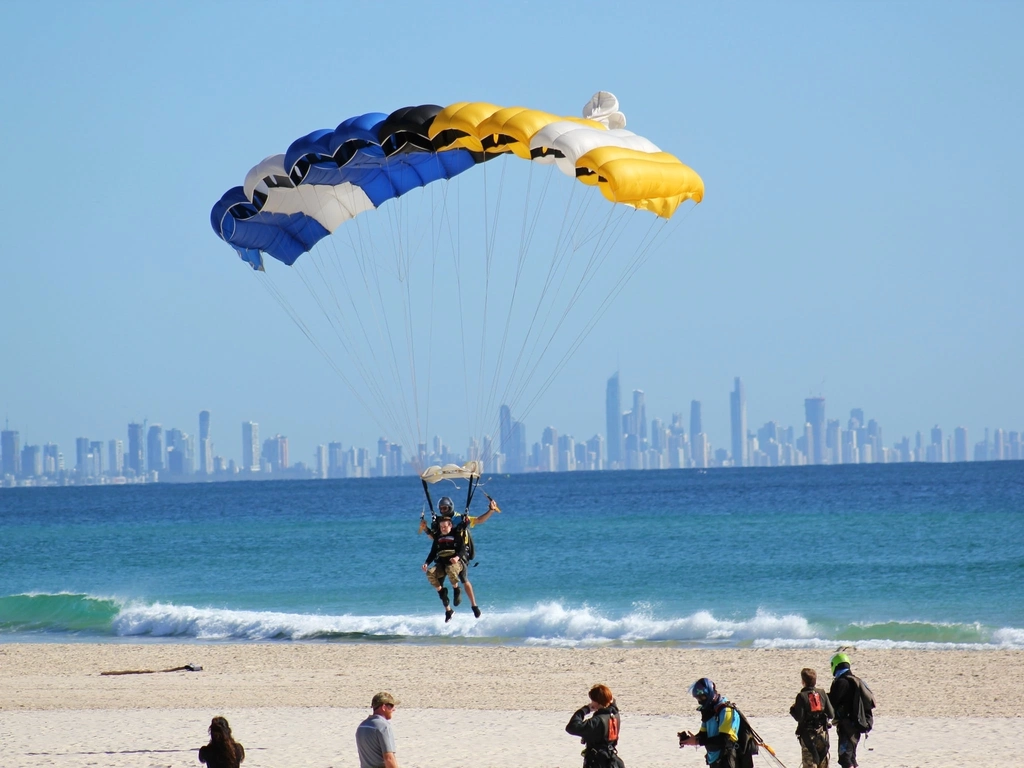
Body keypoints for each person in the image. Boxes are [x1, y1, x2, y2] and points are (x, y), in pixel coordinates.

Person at [420, 494, 499, 619]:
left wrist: (491, 510)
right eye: (441, 508)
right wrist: (425, 529)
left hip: (460, 554)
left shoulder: (460, 518)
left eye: (445, 508)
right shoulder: (439, 522)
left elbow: (479, 520)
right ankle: (448, 610)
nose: (442, 510)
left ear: (450, 507)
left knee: (463, 579)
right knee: (436, 580)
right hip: (444, 553)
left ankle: (474, 605)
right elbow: (435, 539)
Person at [678, 677, 752, 768]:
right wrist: (689, 740)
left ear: (710, 693)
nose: (700, 701)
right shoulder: (709, 711)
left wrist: (698, 741)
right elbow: (704, 735)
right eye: (698, 698)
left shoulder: (726, 711)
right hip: (714, 760)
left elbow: (724, 740)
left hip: (727, 759)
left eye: (702, 697)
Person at [565, 683, 623, 768]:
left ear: (597, 702)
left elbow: (572, 727)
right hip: (610, 759)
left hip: (597, 762)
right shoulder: (615, 715)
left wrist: (584, 710)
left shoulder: (597, 721)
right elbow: (612, 703)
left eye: (592, 700)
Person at [828, 653, 869, 768]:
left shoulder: (842, 682)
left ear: (835, 665)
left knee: (845, 759)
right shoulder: (855, 680)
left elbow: (832, 702)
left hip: (847, 725)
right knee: (851, 757)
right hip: (857, 723)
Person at [422, 516, 466, 622]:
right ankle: (444, 597)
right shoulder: (438, 538)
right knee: (430, 573)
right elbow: (433, 552)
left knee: (450, 570)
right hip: (442, 564)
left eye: (445, 526)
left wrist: (456, 557)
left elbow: (462, 549)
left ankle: (456, 589)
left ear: (450, 525)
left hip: (455, 563)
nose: (443, 528)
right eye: (441, 527)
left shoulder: (456, 535)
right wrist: (426, 563)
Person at [790, 667, 834, 768]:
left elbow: (800, 718)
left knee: (809, 764)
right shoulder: (822, 693)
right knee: (823, 764)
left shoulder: (801, 696)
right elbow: (831, 714)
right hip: (822, 735)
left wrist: (793, 711)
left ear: (803, 681)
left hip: (808, 736)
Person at [355, 692, 399, 768]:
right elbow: (389, 758)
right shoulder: (383, 726)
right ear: (383, 707)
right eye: (391, 706)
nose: (393, 709)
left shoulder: (361, 726)